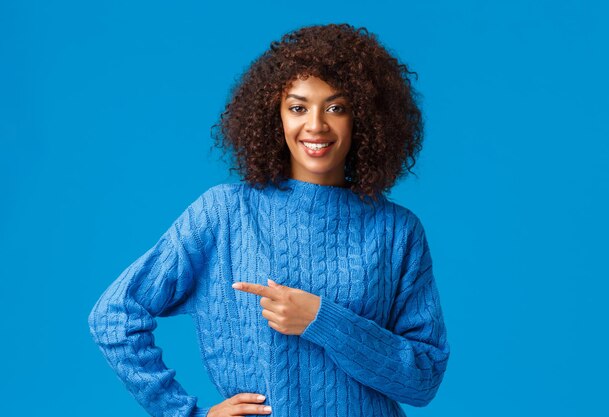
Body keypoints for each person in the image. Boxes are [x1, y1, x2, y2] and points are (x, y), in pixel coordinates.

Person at [88, 23, 451, 417]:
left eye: (336, 107)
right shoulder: (225, 214)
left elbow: (424, 378)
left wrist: (321, 319)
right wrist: (183, 413)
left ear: (364, 117)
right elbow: (114, 316)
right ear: (273, 116)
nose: (315, 125)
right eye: (298, 107)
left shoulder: (397, 231)